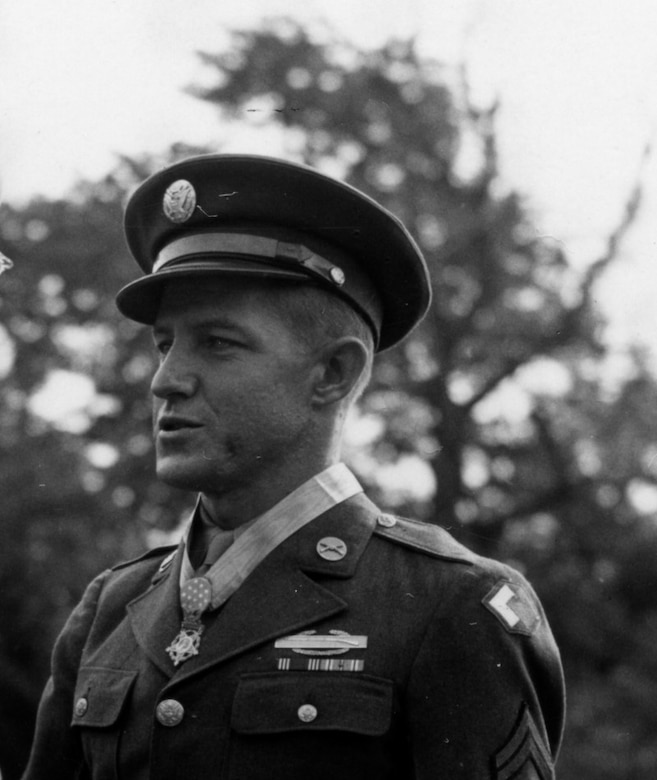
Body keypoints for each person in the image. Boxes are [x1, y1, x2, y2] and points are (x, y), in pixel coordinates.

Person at [22, 154, 565, 780]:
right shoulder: (111, 607)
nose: (166, 381)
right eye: (164, 344)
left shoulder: (448, 605)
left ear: (334, 374)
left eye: (219, 343)